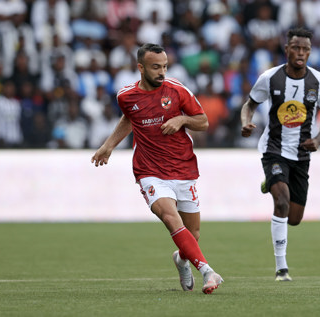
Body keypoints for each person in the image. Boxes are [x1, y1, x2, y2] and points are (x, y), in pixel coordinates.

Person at [91, 43, 223, 294]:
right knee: (170, 218)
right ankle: (208, 271)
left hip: (183, 168)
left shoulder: (177, 90)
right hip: (149, 170)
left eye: (164, 66)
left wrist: (182, 119)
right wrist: (108, 145)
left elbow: (203, 122)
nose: (162, 72)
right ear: (140, 68)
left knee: (191, 236)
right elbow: (130, 118)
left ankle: (182, 260)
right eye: (155, 67)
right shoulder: (125, 96)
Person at [240, 28, 320, 281]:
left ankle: (270, 182)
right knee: (281, 201)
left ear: (310, 52)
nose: (301, 53)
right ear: (287, 50)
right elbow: (249, 104)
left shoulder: (319, 81)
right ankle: (282, 269)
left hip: (301, 155)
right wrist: (245, 122)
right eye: (296, 48)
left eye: (305, 49)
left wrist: (319, 139)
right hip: (274, 150)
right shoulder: (270, 77)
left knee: (294, 219)